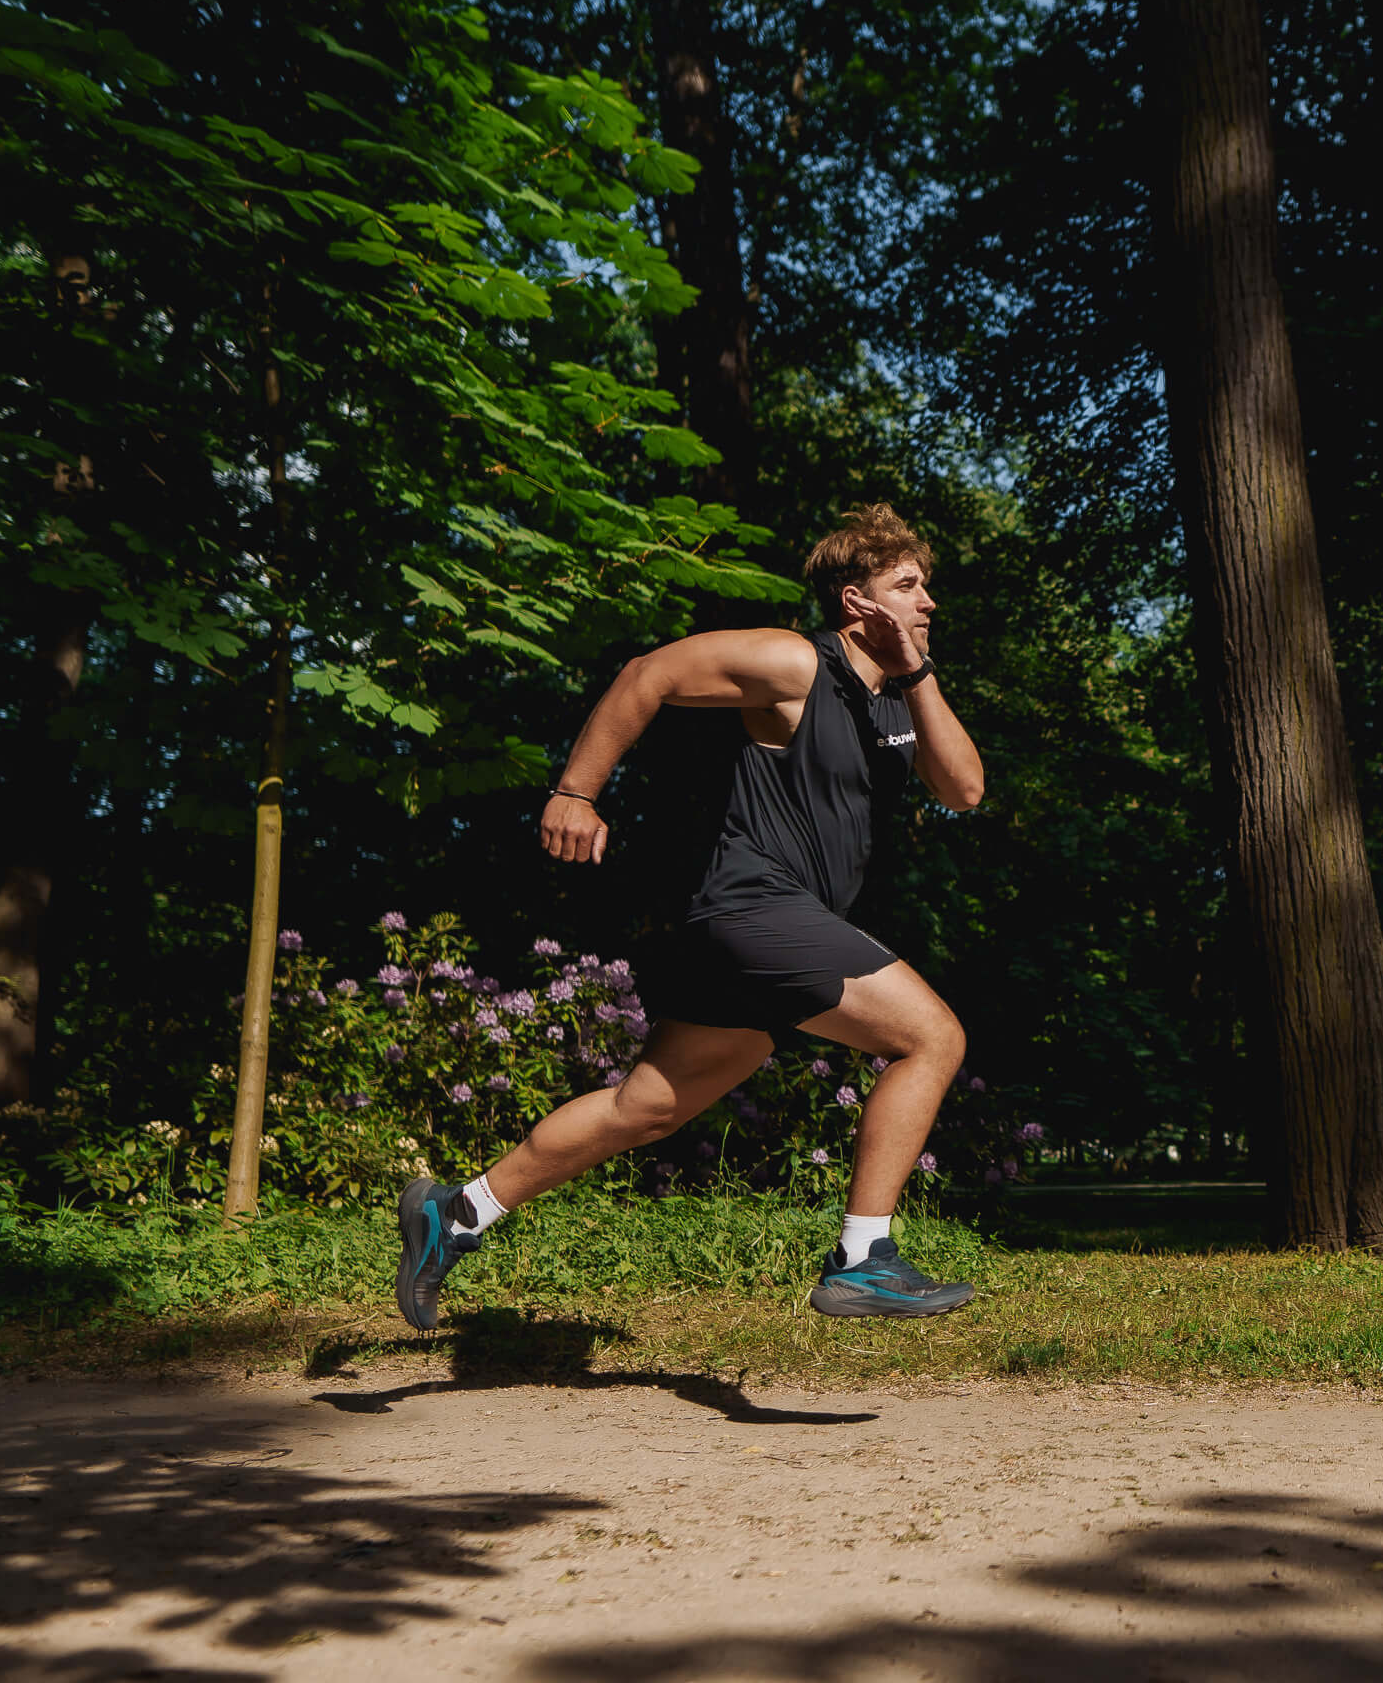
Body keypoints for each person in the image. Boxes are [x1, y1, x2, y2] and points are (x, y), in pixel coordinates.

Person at [392, 503, 989, 1328]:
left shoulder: (897, 701)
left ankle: (455, 1214)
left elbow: (964, 790)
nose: (928, 602)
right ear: (859, 601)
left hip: (765, 928)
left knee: (646, 1107)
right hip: (756, 905)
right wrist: (576, 792)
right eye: (909, 586)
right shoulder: (795, 663)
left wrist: (917, 674)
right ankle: (864, 1258)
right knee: (932, 1037)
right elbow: (651, 674)